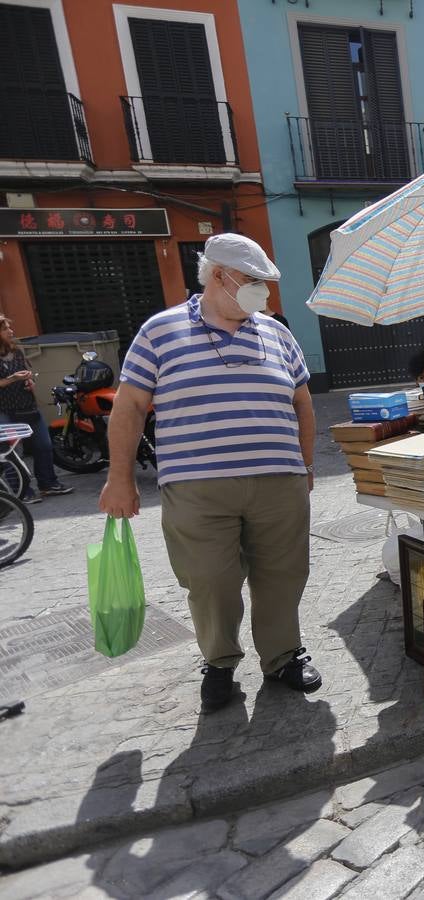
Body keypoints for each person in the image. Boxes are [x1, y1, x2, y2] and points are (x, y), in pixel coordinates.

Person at [99, 233, 321, 713]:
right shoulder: (160, 331)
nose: (263, 292)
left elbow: (303, 401)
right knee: (209, 581)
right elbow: (131, 405)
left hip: (279, 483)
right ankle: (219, 664)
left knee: (283, 575)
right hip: (197, 488)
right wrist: (120, 478)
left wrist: (305, 464)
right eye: (254, 281)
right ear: (219, 275)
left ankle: (282, 656)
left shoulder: (278, 333)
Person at [0, 315, 73, 502]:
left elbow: (29, 373)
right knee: (13, 454)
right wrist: (13, 379)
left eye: (9, 327)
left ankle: (48, 484)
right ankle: (22, 493)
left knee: (44, 446)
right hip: (5, 411)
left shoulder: (16, 352)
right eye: (5, 329)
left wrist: (30, 381)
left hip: (29, 407)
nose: (11, 331)